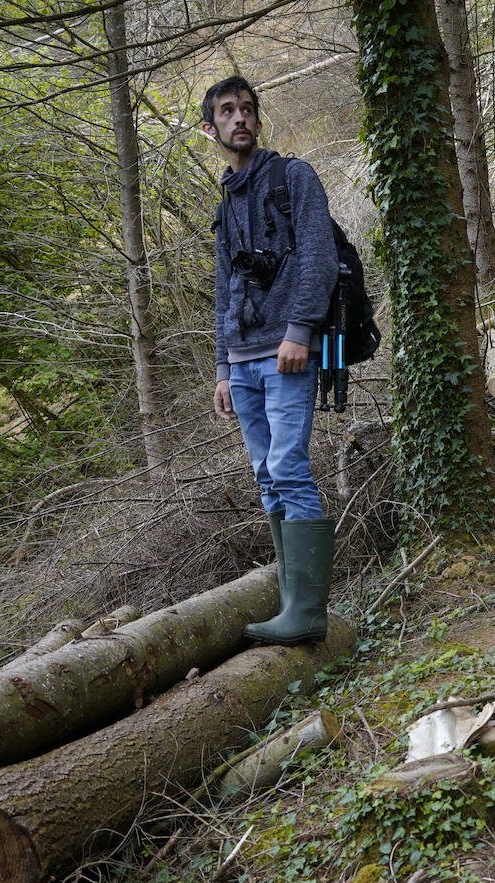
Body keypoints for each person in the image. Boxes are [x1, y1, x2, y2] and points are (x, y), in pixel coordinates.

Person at [202, 75, 338, 643]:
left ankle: (308, 614)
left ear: (257, 120)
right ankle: (290, 604)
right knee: (265, 476)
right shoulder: (226, 202)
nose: (240, 119)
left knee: (288, 467)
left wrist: (300, 331)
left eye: (247, 110)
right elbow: (223, 287)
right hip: (244, 359)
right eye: (228, 112)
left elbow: (319, 257)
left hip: (286, 351)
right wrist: (222, 368)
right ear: (211, 129)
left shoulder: (292, 177)